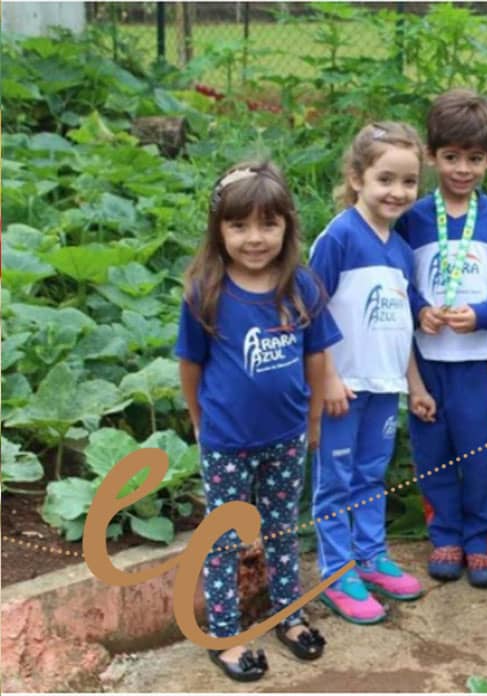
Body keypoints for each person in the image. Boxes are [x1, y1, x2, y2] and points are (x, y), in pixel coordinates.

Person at [176, 160, 342, 682]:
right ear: (218, 230)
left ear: (287, 226)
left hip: (286, 438)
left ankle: (288, 614)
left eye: (268, 224)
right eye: (239, 225)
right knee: (226, 540)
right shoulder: (207, 291)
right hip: (228, 443)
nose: (254, 238)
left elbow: (316, 360)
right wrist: (200, 421)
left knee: (282, 531)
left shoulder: (301, 287)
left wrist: (313, 422)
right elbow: (190, 365)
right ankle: (226, 631)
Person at [395, 88, 487, 588]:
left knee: (483, 452)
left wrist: (486, 313)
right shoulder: (413, 216)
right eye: (451, 157)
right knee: (433, 451)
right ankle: (445, 534)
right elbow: (398, 277)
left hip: (479, 359)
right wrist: (419, 309)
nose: (462, 169)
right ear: (432, 156)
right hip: (426, 362)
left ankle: (483, 541)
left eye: (474, 159)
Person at [308, 122, 437, 625]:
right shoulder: (339, 237)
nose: (398, 192)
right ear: (357, 177)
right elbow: (310, 313)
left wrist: (416, 386)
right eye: (386, 179)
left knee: (370, 475)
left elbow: (401, 326)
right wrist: (328, 379)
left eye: (408, 182)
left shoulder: (401, 250)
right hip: (343, 388)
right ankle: (335, 571)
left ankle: (369, 555)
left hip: (384, 388)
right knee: (335, 479)